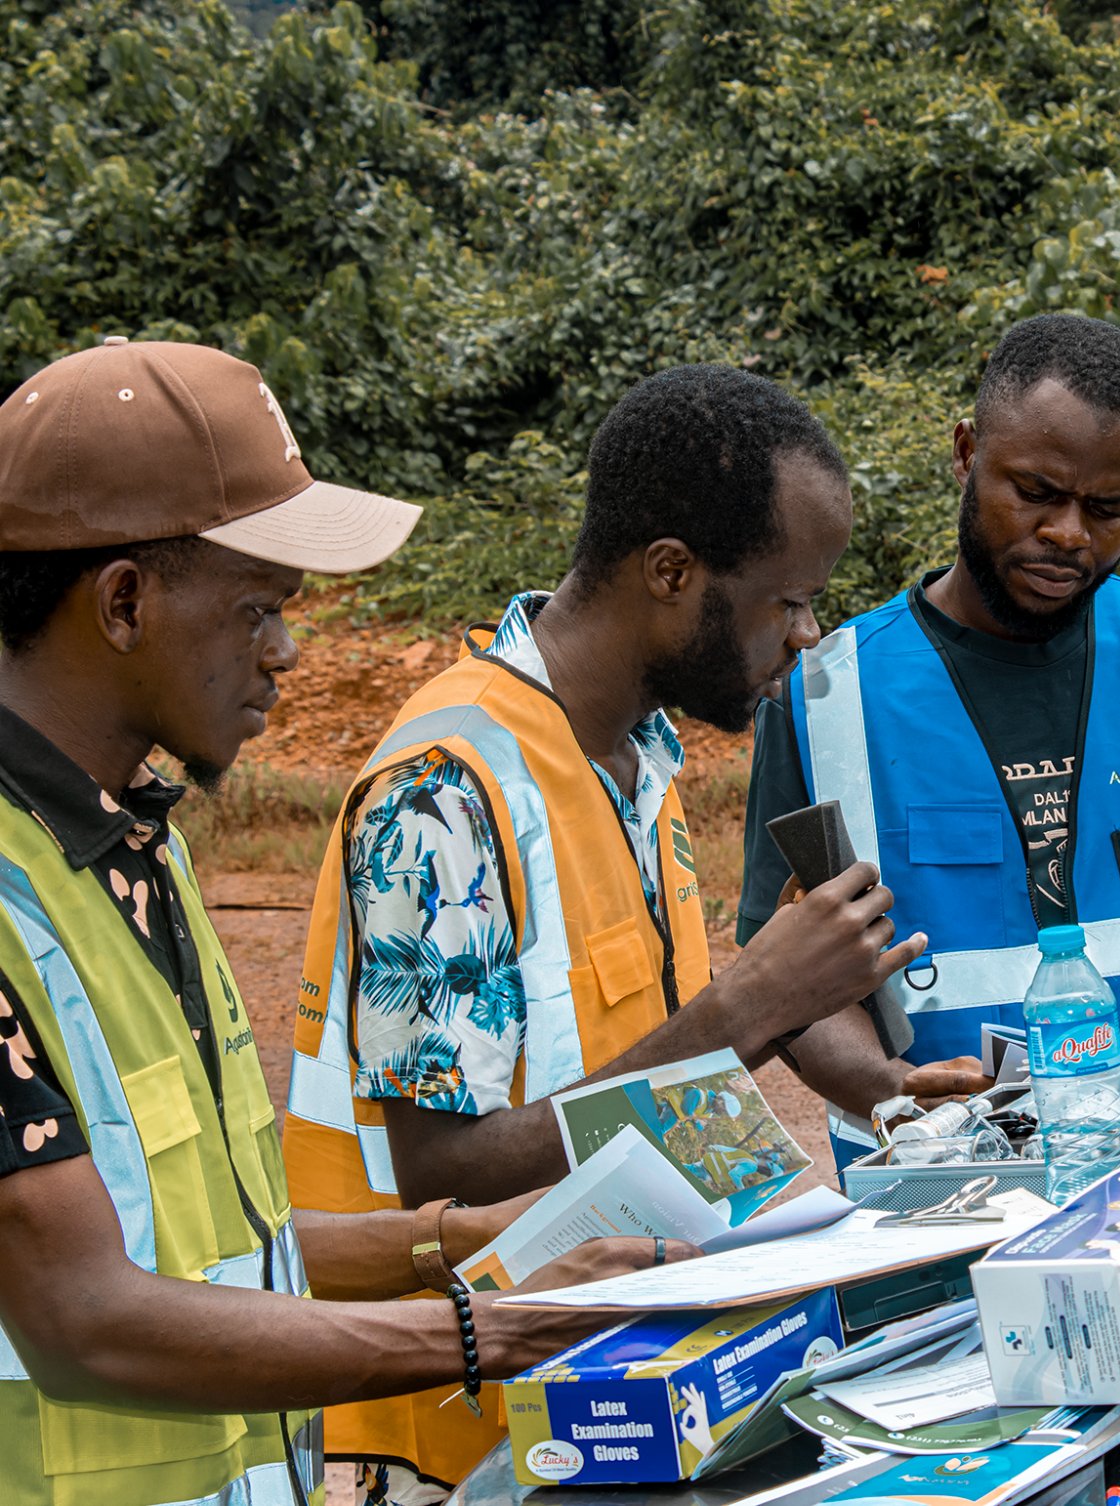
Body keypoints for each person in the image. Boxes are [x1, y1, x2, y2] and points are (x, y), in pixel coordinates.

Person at [0, 338, 673, 1506]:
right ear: (123, 600)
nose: (286, 653)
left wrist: (465, 1238)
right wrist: (476, 1332)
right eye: (258, 608)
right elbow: (84, 1317)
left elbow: (212, 1256)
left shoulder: (128, 850)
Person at [284, 364, 926, 1499]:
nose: (806, 634)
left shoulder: (639, 760)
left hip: (602, 1393)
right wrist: (749, 1012)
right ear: (671, 575)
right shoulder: (444, 789)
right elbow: (443, 1165)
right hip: (447, 1438)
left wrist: (875, 1085)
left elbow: (638, 1055)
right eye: (786, 600)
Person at [738, 314, 1120, 1165]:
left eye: (1110, 508)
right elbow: (786, 978)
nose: (1071, 533)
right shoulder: (823, 692)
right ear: (965, 454)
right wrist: (887, 1091)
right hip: (929, 1203)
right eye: (1035, 492)